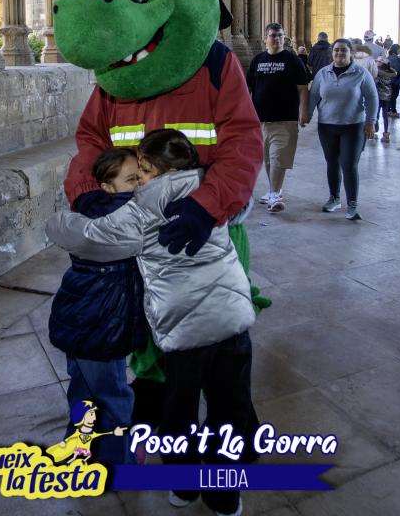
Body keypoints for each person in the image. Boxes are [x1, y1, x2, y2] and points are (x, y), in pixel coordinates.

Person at [46, 130, 257, 516]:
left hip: (186, 333)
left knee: (178, 414)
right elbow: (243, 205)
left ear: (164, 172)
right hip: (232, 323)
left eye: (143, 170)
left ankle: (184, 486)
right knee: (231, 410)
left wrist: (66, 216)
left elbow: (89, 237)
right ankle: (225, 496)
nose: (140, 179)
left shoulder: (143, 208)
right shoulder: (212, 189)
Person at [47, 148, 144, 465]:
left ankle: (77, 457)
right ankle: (119, 465)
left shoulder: (89, 211)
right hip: (101, 326)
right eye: (132, 179)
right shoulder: (125, 220)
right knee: (114, 397)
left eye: (142, 177)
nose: (140, 185)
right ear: (107, 186)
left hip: (78, 320)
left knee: (83, 393)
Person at [309, 40, 378, 218]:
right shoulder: (323, 73)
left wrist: (371, 121)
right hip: (327, 126)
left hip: (353, 126)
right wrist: (306, 115)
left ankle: (352, 204)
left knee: (348, 164)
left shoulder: (361, 73)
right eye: (337, 50)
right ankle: (334, 198)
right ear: (332, 53)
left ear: (350, 53)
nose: (340, 53)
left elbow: (372, 97)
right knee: (332, 162)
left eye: (344, 50)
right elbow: (314, 95)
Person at [246, 23, 310, 212]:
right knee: (267, 158)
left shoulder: (292, 60)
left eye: (280, 35)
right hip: (260, 119)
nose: (277, 39)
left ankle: (275, 194)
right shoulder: (258, 60)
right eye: (273, 35)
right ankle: (274, 189)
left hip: (285, 118)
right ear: (265, 38)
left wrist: (304, 111)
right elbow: (248, 87)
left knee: (278, 158)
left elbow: (302, 88)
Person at [374, 56, 398, 143]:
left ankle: (374, 130)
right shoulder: (391, 73)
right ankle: (386, 134)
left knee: (376, 114)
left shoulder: (377, 72)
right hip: (388, 96)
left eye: (378, 61)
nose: (377, 62)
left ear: (382, 63)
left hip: (379, 96)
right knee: (385, 116)